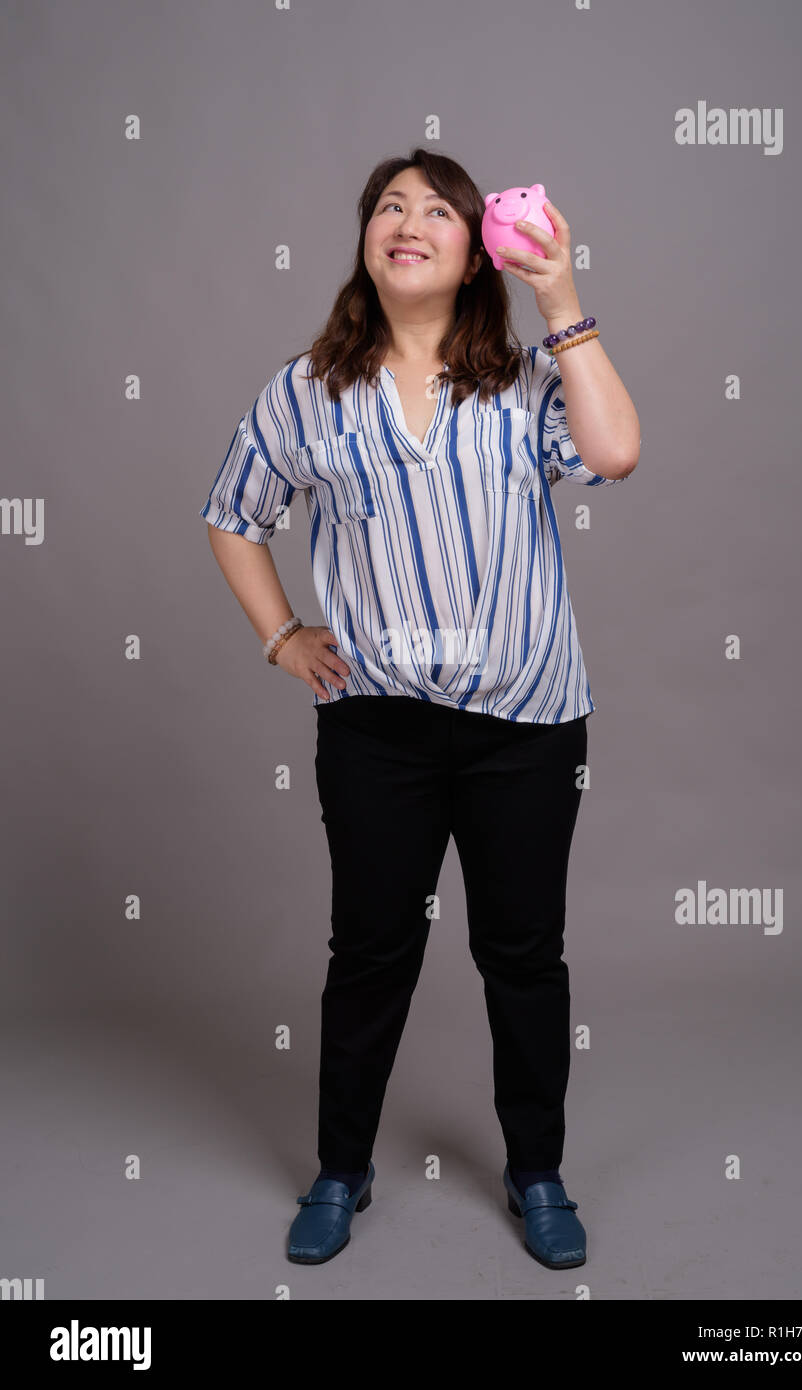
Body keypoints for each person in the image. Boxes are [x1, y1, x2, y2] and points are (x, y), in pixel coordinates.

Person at [199, 148, 640, 1271]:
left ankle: (536, 1169)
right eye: (387, 207)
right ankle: (339, 1169)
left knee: (524, 955)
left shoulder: (524, 376)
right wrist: (281, 634)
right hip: (377, 728)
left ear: (474, 245)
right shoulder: (307, 389)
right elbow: (231, 513)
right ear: (366, 239)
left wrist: (564, 299)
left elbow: (617, 452)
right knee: (370, 952)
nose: (406, 223)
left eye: (436, 210)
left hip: (528, 722)